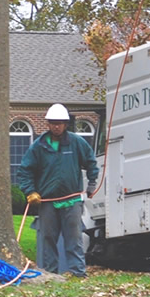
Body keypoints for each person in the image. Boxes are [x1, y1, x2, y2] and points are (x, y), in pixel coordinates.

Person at [17, 103, 99, 277]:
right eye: (53, 122)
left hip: (72, 200)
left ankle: (78, 273)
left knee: (74, 239)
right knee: (48, 239)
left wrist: (92, 182)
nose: (56, 126)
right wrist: (30, 191)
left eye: (60, 123)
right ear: (47, 124)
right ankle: (49, 274)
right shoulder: (39, 146)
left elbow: (91, 161)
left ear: (66, 124)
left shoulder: (76, 143)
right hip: (48, 202)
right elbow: (25, 171)